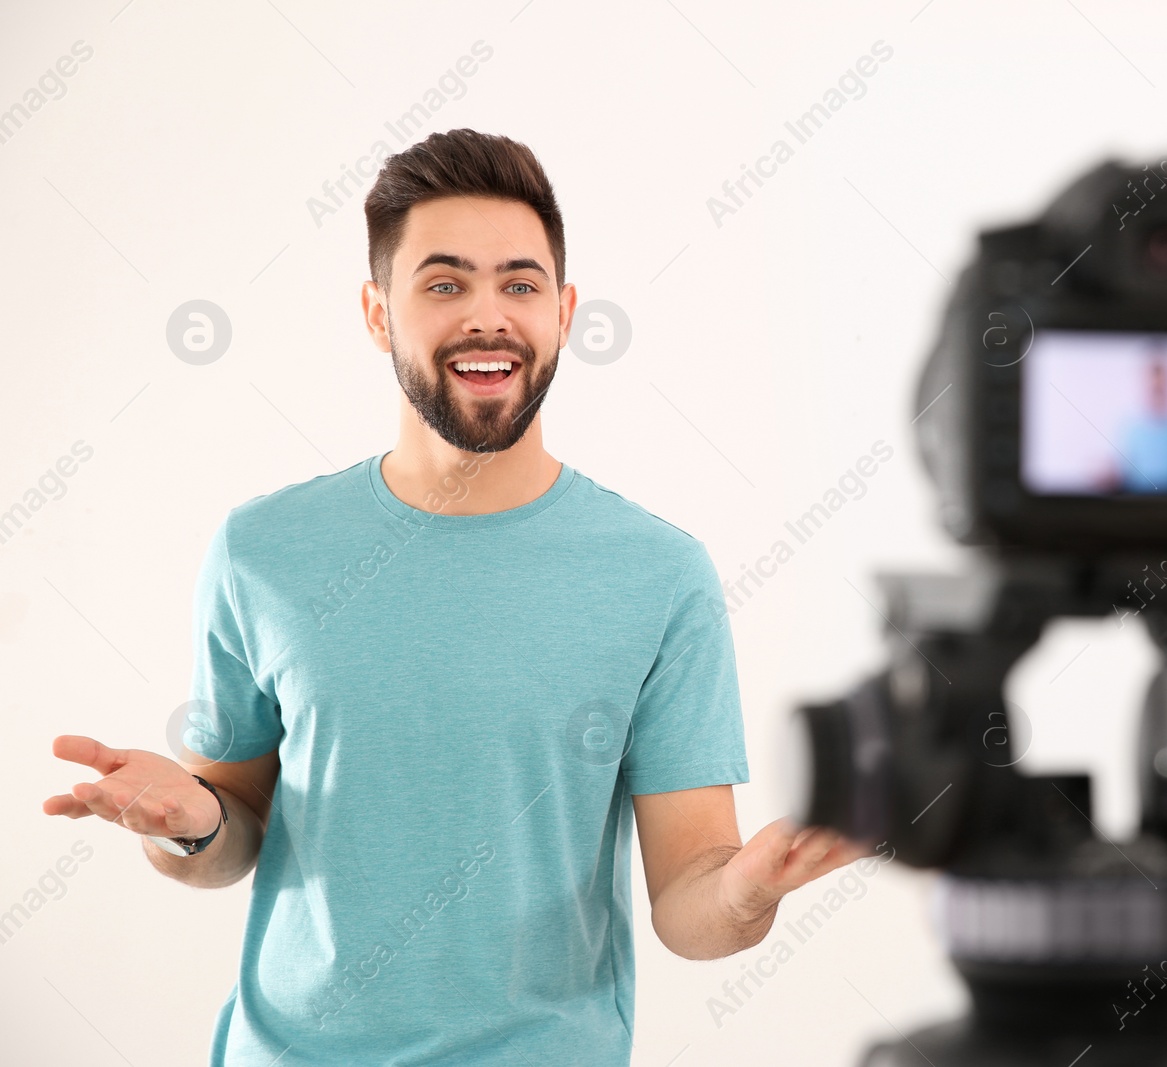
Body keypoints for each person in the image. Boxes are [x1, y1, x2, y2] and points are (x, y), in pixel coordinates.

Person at [42, 128, 872, 1067]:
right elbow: (233, 826)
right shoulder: (261, 551)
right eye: (444, 284)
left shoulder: (658, 573)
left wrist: (749, 888)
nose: (488, 316)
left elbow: (691, 901)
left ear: (562, 312)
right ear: (376, 310)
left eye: (519, 285)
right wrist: (187, 827)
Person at [1115, 346, 1167, 493]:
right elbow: (1121, 476)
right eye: (1154, 391)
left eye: (1162, 390)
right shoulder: (1129, 431)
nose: (1158, 397)